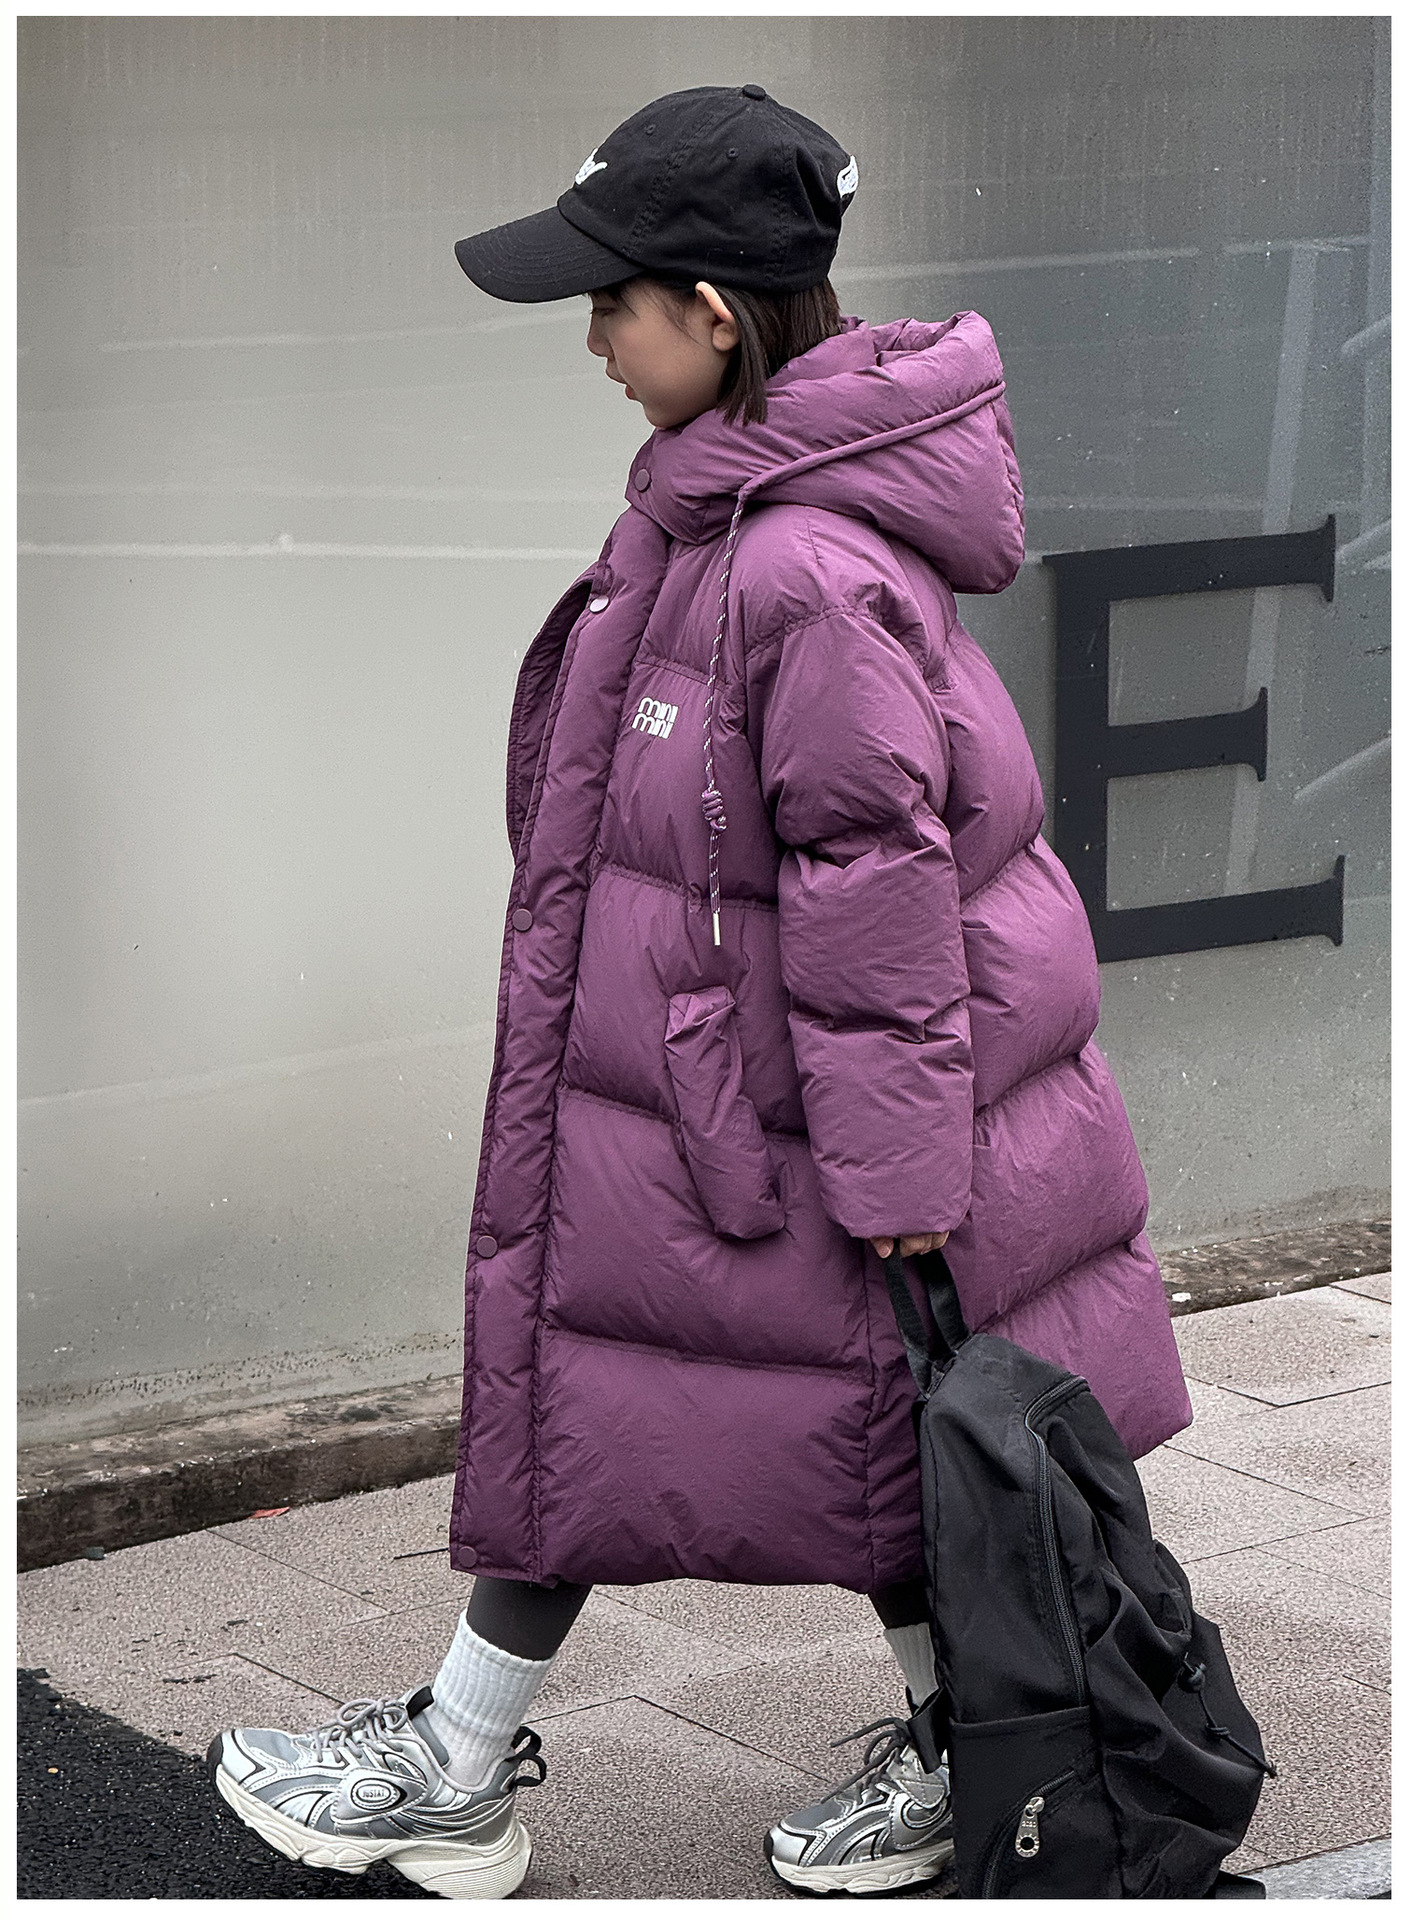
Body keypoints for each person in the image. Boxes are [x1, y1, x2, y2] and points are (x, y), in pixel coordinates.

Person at [209, 84, 1191, 1900]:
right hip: (726, 1086)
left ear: (714, 312)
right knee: (841, 1420)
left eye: (612, 301)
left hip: (770, 1110)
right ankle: (933, 1747)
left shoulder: (795, 564)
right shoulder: (725, 513)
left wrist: (900, 1182)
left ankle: (464, 1768)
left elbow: (872, 879)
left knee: (741, 1410)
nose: (592, 339)